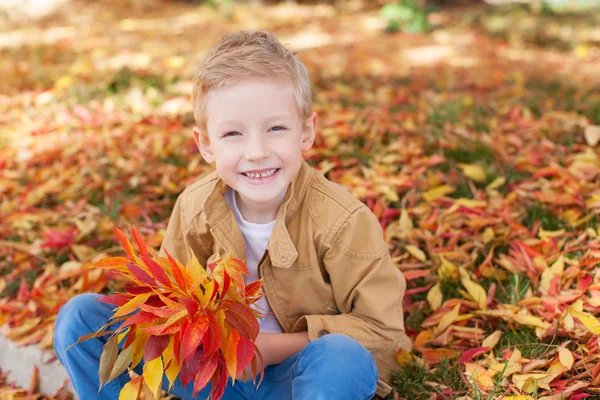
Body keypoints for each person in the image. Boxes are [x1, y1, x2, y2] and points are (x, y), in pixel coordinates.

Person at [54, 29, 411, 400]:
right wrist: (167, 341)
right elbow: (168, 301)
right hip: (213, 375)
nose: (256, 151)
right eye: (233, 134)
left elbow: (383, 334)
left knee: (341, 358)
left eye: (276, 128)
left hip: (297, 378)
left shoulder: (342, 220)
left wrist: (269, 348)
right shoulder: (195, 208)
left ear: (306, 132)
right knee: (80, 319)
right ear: (206, 144)